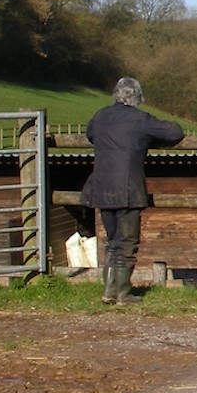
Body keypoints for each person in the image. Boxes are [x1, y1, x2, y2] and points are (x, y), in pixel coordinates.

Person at [81, 77, 185, 304]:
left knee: (112, 242)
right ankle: (123, 293)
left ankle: (109, 291)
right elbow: (175, 132)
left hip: (101, 187)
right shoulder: (139, 119)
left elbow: (90, 134)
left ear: (115, 94)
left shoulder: (100, 117)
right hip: (127, 189)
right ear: (137, 97)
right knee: (127, 244)